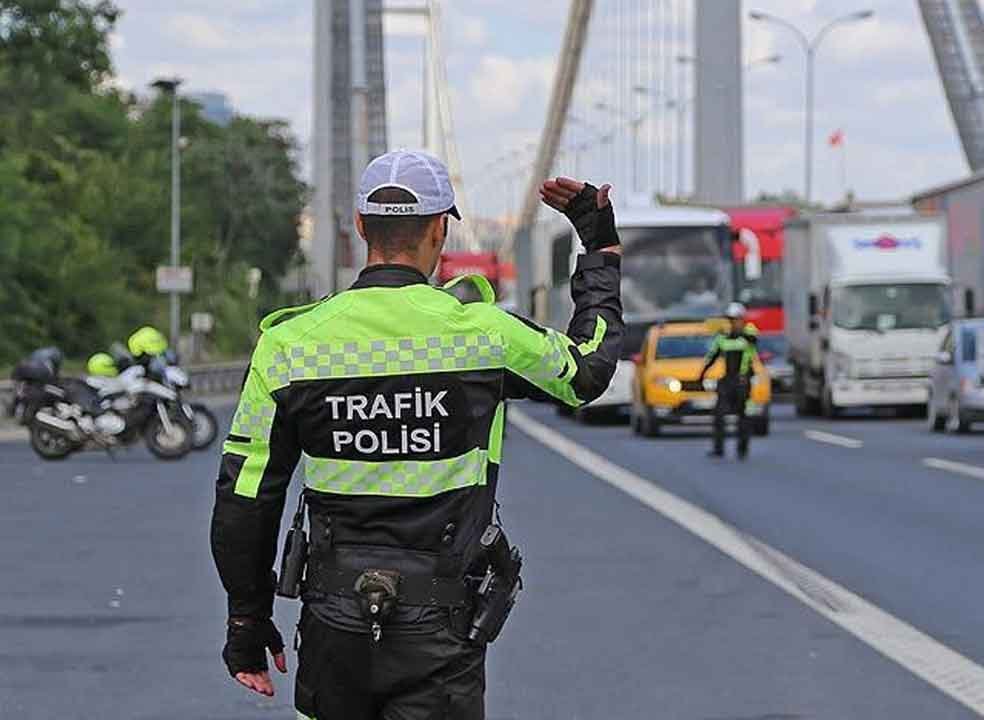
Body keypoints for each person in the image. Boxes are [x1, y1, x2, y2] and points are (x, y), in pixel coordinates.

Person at [210, 149, 623, 719]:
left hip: (333, 623)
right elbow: (588, 370)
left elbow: (245, 497)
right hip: (442, 627)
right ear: (439, 229)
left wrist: (246, 621)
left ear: (360, 227)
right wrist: (598, 250)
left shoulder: (290, 347)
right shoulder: (483, 335)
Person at [698, 302, 758, 459]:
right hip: (727, 380)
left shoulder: (749, 334)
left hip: (743, 381)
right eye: (731, 320)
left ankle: (742, 449)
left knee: (743, 417)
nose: (734, 323)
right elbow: (711, 358)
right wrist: (701, 376)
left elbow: (753, 338)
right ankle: (718, 449)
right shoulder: (722, 338)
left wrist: (741, 332)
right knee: (719, 415)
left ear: (742, 320)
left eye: (736, 319)